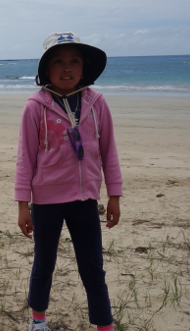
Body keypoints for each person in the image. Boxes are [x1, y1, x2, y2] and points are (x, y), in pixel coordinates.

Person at [15, 32, 122, 331]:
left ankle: (104, 326)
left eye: (74, 61)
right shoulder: (35, 106)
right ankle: (38, 321)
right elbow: (25, 159)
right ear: (46, 70)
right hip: (46, 203)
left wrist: (114, 194)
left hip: (85, 200)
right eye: (58, 61)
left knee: (92, 268)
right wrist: (23, 205)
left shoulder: (96, 103)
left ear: (84, 67)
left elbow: (108, 151)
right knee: (44, 264)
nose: (67, 68)